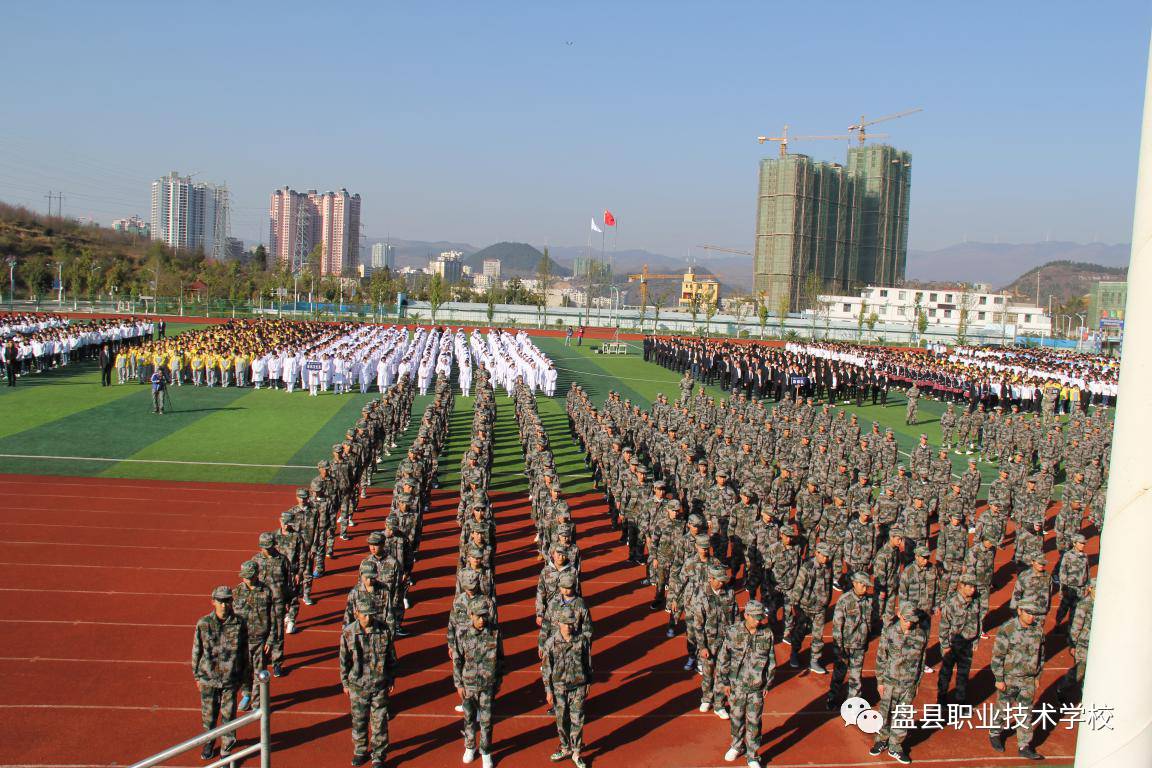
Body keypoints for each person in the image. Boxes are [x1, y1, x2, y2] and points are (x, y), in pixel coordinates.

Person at [191, 586, 250, 761]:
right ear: (213, 601)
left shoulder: (240, 623)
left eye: (227, 601)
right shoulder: (203, 623)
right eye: (220, 601)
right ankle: (209, 742)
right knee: (208, 716)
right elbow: (197, 650)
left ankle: (226, 751)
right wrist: (196, 676)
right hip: (208, 679)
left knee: (229, 717)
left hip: (230, 679)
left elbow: (244, 652)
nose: (224, 605)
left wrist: (245, 679)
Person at [340, 593, 398, 768]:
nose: (368, 618)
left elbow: (391, 657)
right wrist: (345, 682)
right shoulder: (348, 633)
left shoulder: (383, 630)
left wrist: (391, 679)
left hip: (379, 684)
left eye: (371, 614)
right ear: (356, 613)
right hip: (358, 685)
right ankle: (360, 750)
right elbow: (344, 660)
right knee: (359, 720)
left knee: (379, 721)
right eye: (365, 614)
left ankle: (378, 755)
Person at [717, 600, 775, 768]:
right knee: (736, 718)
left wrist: (768, 684)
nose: (758, 621)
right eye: (755, 618)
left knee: (754, 721)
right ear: (746, 615)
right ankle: (736, 745)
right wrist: (724, 682)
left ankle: (753, 755)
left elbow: (771, 661)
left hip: (757, 687)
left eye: (760, 618)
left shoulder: (767, 634)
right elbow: (724, 658)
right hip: (736, 686)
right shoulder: (733, 632)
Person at [868, 608, 929, 765]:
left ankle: (895, 745)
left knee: (903, 715)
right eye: (906, 619)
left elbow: (922, 661)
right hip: (890, 682)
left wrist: (917, 683)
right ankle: (882, 739)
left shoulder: (921, 635)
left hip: (909, 683)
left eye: (912, 620)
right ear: (900, 615)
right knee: (885, 712)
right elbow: (881, 657)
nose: (909, 623)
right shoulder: (890, 632)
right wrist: (880, 681)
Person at [988, 603, 1046, 760]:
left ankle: (1024, 745)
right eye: (1028, 612)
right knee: (1003, 708)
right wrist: (999, 678)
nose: (1031, 616)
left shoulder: (1038, 630)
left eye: (1034, 613)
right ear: (1019, 611)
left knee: (1025, 711)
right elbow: (997, 656)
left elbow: (1041, 656)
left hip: (1028, 679)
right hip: (1009, 678)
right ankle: (995, 733)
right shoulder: (1007, 629)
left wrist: (1037, 677)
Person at [541, 605, 592, 768]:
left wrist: (588, 682)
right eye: (566, 623)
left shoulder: (581, 639)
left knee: (577, 720)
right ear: (559, 623)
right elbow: (546, 668)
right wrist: (548, 690)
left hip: (578, 687)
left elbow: (587, 662)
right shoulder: (551, 643)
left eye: (572, 623)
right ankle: (565, 747)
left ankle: (576, 752)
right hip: (559, 688)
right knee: (562, 720)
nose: (569, 626)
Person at [453, 599, 503, 768]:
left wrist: (498, 681)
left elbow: (501, 659)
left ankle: (486, 752)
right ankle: (469, 746)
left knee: (487, 721)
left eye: (484, 616)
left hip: (488, 685)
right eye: (479, 616)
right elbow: (457, 660)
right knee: (469, 718)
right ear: (471, 615)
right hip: (469, 684)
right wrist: (458, 684)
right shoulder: (462, 633)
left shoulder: (494, 633)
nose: (482, 619)